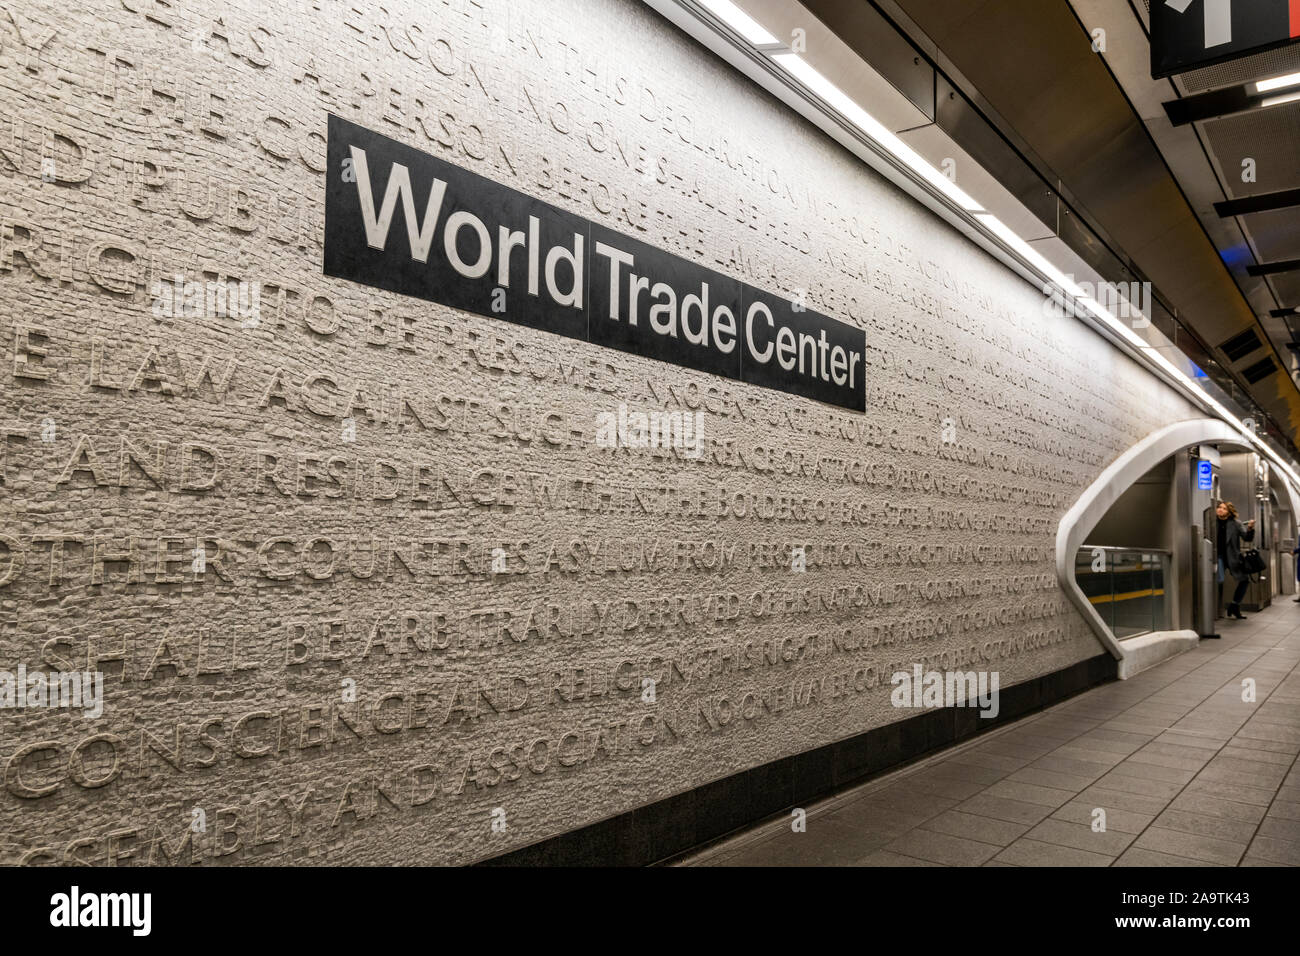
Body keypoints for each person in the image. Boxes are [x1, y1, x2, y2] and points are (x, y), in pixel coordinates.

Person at [1216, 500, 1255, 620]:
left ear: (1229, 512)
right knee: (1219, 581)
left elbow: (1247, 538)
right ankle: (1217, 610)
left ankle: (1234, 605)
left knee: (1244, 580)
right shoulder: (1211, 522)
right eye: (1219, 507)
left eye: (1224, 508)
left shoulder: (1236, 523)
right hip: (1218, 557)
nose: (1220, 510)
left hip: (1232, 557)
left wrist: (1250, 528)